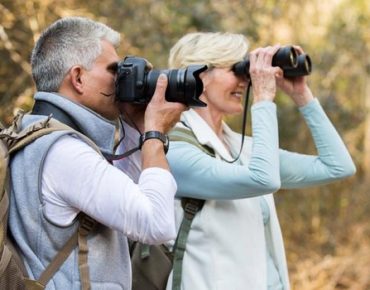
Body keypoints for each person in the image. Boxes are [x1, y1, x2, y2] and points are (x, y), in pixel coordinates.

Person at [164, 32, 356, 290]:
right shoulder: (174, 148)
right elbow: (263, 179)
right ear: (199, 75)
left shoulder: (242, 148)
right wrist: (264, 98)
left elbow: (338, 167)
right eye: (237, 69)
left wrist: (302, 95)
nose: (247, 79)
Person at [8, 16, 186, 289]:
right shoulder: (64, 152)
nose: (121, 80)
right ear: (78, 77)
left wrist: (135, 128)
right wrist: (154, 135)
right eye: (114, 71)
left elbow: (126, 205)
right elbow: (157, 223)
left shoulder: (35, 134)